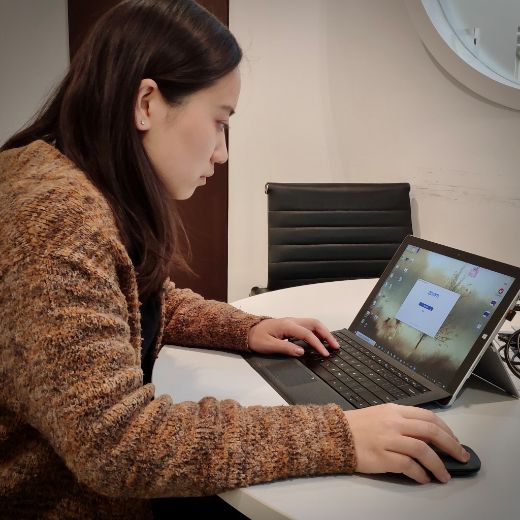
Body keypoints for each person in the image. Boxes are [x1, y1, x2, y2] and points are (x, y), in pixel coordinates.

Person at [0, 1, 470, 518]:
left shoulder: (65, 176)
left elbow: (137, 298)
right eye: (220, 122)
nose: (222, 153)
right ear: (147, 103)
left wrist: (245, 329)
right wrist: (341, 436)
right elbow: (117, 443)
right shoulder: (55, 221)